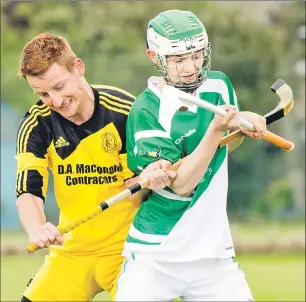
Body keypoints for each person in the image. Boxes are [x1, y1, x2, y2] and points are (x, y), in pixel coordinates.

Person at [115, 10, 266, 301]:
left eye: (197, 55)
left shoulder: (219, 85)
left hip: (214, 258)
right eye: (178, 59)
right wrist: (215, 130)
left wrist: (243, 119)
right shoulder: (146, 109)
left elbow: (225, 144)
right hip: (156, 255)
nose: (190, 67)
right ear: (153, 56)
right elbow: (183, 184)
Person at [15, 32, 176, 302]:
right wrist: (37, 228)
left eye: (58, 87)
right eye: (42, 94)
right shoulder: (36, 124)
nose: (55, 101)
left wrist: (149, 177)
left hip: (130, 251)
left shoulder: (128, 112)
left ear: (78, 68)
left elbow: (145, 186)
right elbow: (29, 191)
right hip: (72, 253)